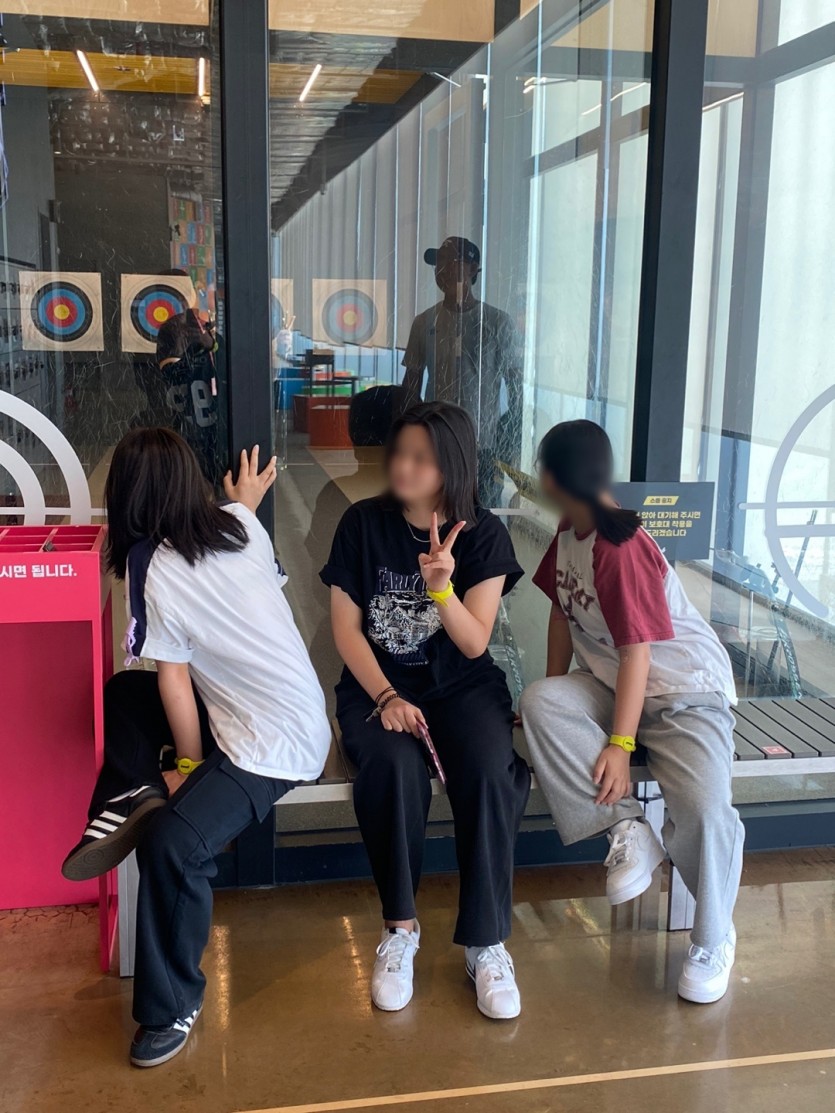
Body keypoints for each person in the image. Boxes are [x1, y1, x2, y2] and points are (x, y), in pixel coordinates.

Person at [61, 428, 330, 1067]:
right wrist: (244, 499)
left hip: (273, 741)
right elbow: (172, 678)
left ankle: (171, 1007)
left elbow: (177, 684)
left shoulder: (149, 566)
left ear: (126, 497)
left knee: (173, 847)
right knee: (126, 693)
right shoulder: (238, 524)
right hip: (264, 711)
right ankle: (134, 795)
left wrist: (187, 766)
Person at [519, 420, 744, 1005]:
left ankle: (713, 937)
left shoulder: (619, 547)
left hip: (683, 693)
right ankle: (628, 827)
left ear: (551, 478)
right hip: (614, 685)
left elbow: (638, 654)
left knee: (705, 809)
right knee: (540, 702)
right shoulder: (570, 530)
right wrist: (556, 697)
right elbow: (561, 615)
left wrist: (619, 747)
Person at [321, 401, 530, 1020]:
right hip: (378, 685)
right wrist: (386, 696)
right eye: (400, 453)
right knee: (392, 767)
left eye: (421, 458)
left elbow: (474, 642)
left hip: (462, 686)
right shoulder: (362, 524)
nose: (403, 466)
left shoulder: (483, 534)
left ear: (451, 466)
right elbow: (345, 630)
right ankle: (400, 929)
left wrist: (441, 586)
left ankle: (486, 941)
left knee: (489, 769)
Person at [401, 237, 522, 506]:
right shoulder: (424, 322)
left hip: (483, 444)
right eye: (438, 263)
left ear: (473, 268)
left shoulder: (497, 322)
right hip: (435, 441)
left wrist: (512, 440)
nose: (442, 269)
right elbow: (411, 383)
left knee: (482, 511)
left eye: (451, 260)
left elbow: (515, 384)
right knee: (433, 509)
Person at [156, 269, 222, 487]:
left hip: (217, 424)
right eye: (215, 288)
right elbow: (171, 377)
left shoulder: (221, 326)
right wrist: (196, 350)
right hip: (190, 426)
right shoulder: (176, 327)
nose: (220, 294)